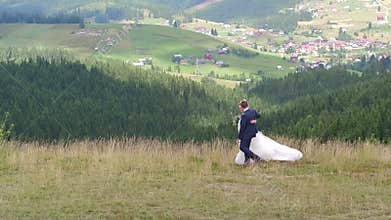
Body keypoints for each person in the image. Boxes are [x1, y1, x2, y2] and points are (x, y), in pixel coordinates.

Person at [237, 99, 261, 165]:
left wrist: (239, 137)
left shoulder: (244, 115)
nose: (240, 109)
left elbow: (242, 127)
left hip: (246, 134)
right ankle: (247, 162)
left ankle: (255, 157)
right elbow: (258, 115)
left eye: (240, 107)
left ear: (242, 107)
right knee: (246, 147)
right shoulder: (253, 111)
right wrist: (254, 120)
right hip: (253, 132)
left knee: (242, 147)